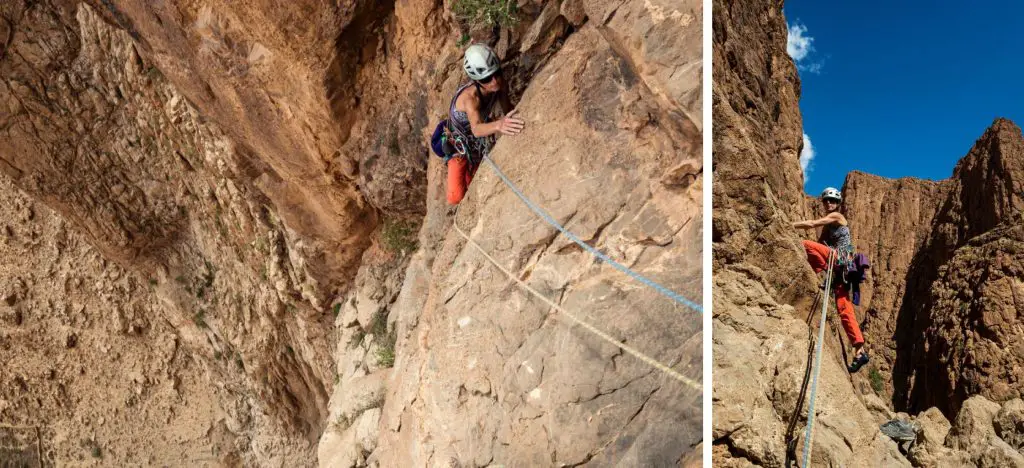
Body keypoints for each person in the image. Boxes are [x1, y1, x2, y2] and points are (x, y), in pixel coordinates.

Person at [793, 187, 870, 373]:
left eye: (833, 201)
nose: (829, 203)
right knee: (844, 308)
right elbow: (821, 244)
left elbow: (812, 224)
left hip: (841, 259)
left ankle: (816, 271)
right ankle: (860, 350)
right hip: (840, 269)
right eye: (826, 200)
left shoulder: (838, 217)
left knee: (805, 245)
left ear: (838, 204)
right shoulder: (829, 228)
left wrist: (790, 225)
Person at [444, 44, 524, 205]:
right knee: (456, 197)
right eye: (487, 79)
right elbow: (476, 129)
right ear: (477, 81)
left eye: (496, 74)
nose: (494, 81)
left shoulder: (500, 84)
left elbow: (507, 108)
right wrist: (499, 125)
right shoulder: (470, 98)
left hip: (477, 145)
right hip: (459, 148)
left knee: (477, 184)